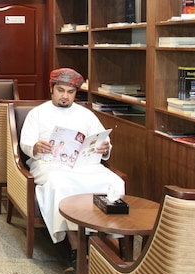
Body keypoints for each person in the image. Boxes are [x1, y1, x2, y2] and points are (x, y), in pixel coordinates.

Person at [19, 67, 124, 249]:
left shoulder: (86, 114)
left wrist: (105, 147)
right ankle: (75, 244)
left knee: (114, 182)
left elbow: (103, 138)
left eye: (70, 92)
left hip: (85, 165)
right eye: (60, 90)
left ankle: (109, 238)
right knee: (60, 184)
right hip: (49, 164)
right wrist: (35, 147)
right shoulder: (37, 113)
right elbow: (25, 142)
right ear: (51, 89)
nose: (65, 96)